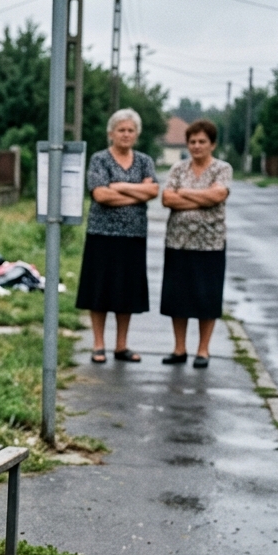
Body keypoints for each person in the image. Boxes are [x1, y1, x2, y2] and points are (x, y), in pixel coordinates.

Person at [75, 109, 159, 364]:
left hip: (133, 236)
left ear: (137, 134)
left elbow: (153, 190)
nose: (126, 134)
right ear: (111, 133)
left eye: (130, 130)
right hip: (102, 234)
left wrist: (119, 187)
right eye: (121, 130)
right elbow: (100, 195)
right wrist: (137, 193)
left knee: (126, 293)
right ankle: (98, 344)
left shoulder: (144, 161)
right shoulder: (100, 159)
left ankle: (121, 345)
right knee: (99, 290)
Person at [159, 119, 232, 368]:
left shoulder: (222, 169)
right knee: (177, 297)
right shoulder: (179, 169)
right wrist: (203, 198)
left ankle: (203, 350)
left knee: (206, 297)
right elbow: (167, 198)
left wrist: (185, 193)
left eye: (202, 142)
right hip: (178, 242)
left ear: (212, 144)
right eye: (192, 142)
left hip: (210, 244)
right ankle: (179, 349)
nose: (197, 146)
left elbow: (218, 195)